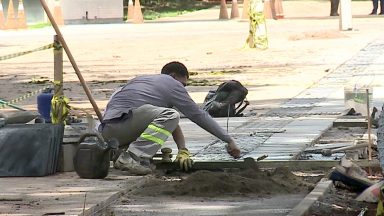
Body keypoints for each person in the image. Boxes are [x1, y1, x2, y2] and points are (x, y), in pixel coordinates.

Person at [100, 61, 241, 175]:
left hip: (107, 132)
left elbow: (171, 124)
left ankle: (123, 154)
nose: (183, 89)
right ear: (173, 76)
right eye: (183, 84)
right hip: (124, 123)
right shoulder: (171, 84)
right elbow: (198, 115)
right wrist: (229, 140)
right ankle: (133, 157)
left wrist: (182, 150)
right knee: (171, 115)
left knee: (167, 116)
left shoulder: (142, 81)